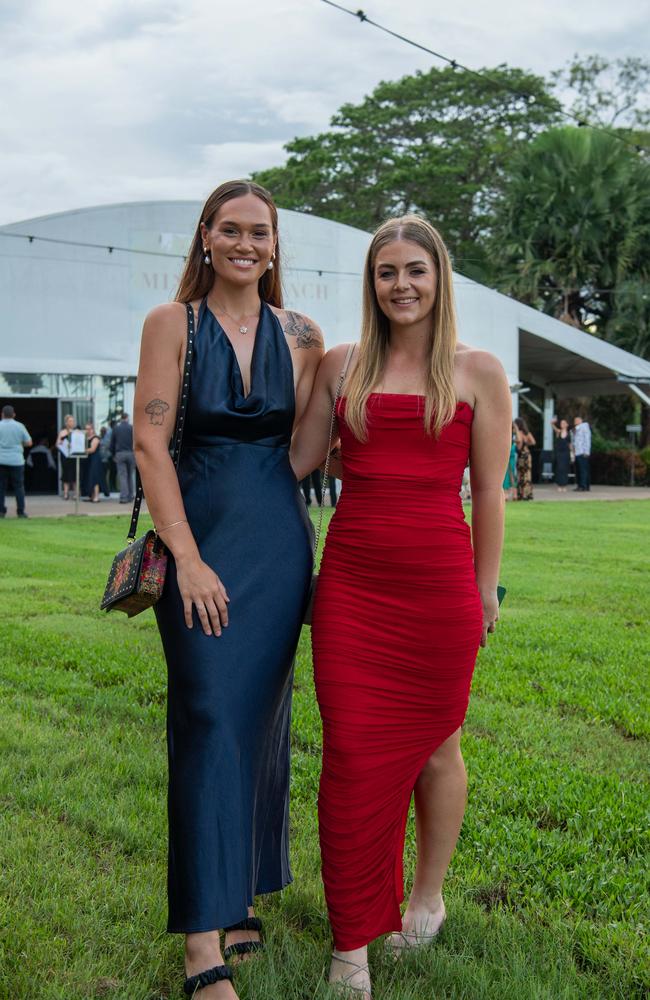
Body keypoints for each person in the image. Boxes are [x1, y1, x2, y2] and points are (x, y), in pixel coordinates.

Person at [290, 214, 511, 999]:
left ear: (439, 277)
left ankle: (427, 893)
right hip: (353, 585)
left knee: (436, 746)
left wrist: (484, 591)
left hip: (438, 588)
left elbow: (487, 492)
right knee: (350, 753)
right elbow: (300, 458)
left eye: (415, 270)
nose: (402, 285)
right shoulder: (343, 364)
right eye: (387, 272)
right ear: (371, 283)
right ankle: (352, 938)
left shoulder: (479, 373)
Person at [133, 180, 323, 999]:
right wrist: (188, 557)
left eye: (261, 233)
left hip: (278, 543)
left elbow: (310, 448)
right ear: (205, 236)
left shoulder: (304, 332)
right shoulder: (171, 324)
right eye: (231, 229)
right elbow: (148, 441)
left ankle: (241, 896)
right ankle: (201, 944)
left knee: (260, 717)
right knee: (208, 717)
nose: (247, 244)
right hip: (198, 540)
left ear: (275, 246)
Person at [0, 404, 32, 518]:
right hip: (16, 461)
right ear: (14, 415)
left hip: (1, 460)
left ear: (2, 414)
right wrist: (19, 443)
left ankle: (1, 511)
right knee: (18, 487)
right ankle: (20, 511)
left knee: (1, 487)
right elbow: (29, 442)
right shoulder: (20, 426)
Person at [111, 412, 136, 503]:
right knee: (130, 475)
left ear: (121, 418)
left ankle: (124, 497)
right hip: (131, 453)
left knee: (122, 476)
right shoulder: (131, 428)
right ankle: (131, 495)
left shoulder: (116, 428)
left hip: (120, 453)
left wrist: (113, 454)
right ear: (127, 418)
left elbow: (112, 443)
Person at [82, 422, 106, 502]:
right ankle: (92, 496)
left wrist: (81, 450)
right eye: (86, 429)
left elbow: (92, 449)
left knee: (95, 478)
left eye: (89, 429)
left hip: (95, 460)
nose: (87, 430)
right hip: (88, 460)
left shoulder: (96, 438)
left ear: (92, 429)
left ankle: (96, 496)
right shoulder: (86, 438)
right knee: (90, 478)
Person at [55, 413, 77, 499]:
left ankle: (75, 493)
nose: (72, 423)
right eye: (70, 421)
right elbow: (56, 444)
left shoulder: (76, 432)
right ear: (66, 422)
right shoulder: (62, 432)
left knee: (75, 474)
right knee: (66, 474)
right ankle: (66, 493)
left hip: (74, 456)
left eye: (73, 421)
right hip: (65, 456)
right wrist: (60, 443)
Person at [514, 416, 536, 500]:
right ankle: (528, 494)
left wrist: (516, 431)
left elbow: (519, 443)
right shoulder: (527, 432)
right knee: (527, 475)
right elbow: (533, 442)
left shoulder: (519, 432)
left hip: (522, 456)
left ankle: (522, 495)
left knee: (521, 475)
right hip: (527, 454)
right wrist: (526, 444)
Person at [550, 416, 571, 492]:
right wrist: (553, 422)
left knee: (565, 469)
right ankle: (559, 485)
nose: (562, 424)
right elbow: (552, 426)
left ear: (567, 425)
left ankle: (564, 485)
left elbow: (570, 445)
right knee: (559, 468)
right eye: (561, 423)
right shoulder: (558, 432)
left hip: (566, 453)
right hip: (559, 453)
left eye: (564, 423)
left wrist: (572, 454)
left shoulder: (569, 434)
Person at [572, 415, 591, 491]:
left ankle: (584, 486)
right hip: (577, 452)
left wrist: (587, 451)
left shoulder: (584, 427)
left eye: (576, 420)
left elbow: (587, 439)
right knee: (579, 470)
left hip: (582, 452)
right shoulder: (575, 429)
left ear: (580, 421)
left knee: (583, 470)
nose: (575, 422)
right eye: (574, 421)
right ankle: (580, 485)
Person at [503, 422, 517, 500]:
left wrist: (516, 428)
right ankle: (506, 494)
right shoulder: (505, 435)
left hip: (512, 459)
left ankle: (513, 494)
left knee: (512, 475)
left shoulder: (514, 437)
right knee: (506, 475)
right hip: (506, 457)